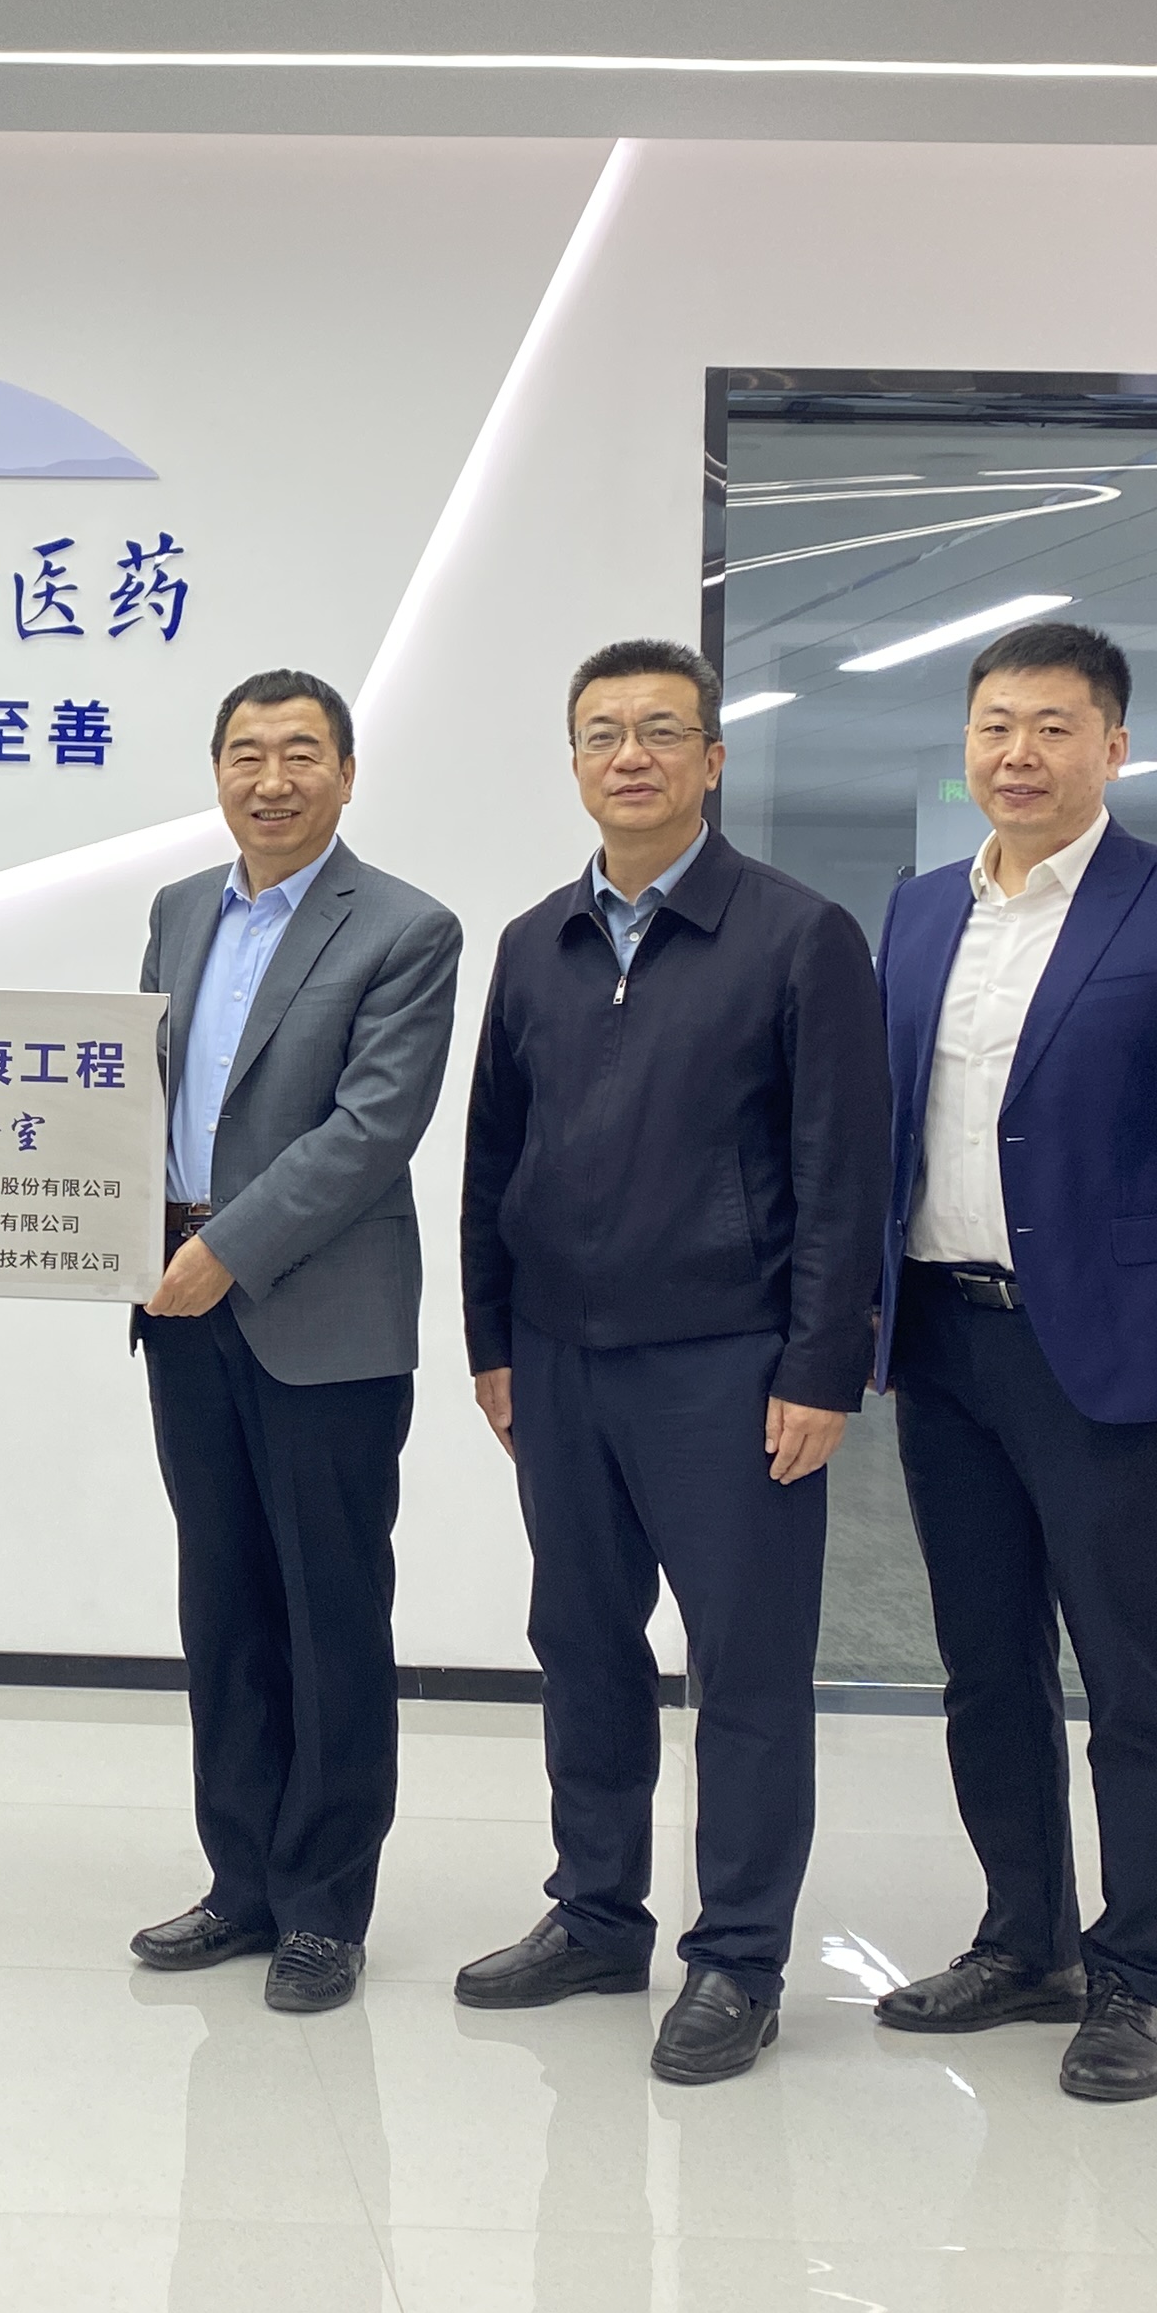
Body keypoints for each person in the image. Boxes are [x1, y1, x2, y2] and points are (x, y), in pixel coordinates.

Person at [455, 638, 888, 2082]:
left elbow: (841, 1174)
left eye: (658, 731)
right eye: (601, 733)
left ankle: (738, 1957)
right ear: (575, 763)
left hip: (731, 1364)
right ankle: (595, 1916)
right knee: (582, 1645)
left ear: (712, 760)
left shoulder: (797, 935)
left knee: (746, 1670)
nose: (628, 755)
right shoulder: (535, 943)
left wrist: (821, 1366)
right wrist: (492, 1339)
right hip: (559, 1359)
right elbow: (493, 1156)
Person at [866, 622, 1157, 2101]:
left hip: (1108, 1347)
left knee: (1133, 1669)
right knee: (984, 1664)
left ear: (1114, 746)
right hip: (943, 1335)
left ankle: (1140, 1977)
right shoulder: (921, 910)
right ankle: (1022, 1940)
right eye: (996, 726)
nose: (1020, 754)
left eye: (1053, 727)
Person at [130, 671, 461, 2015]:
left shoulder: (404, 928)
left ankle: (325, 1906)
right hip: (179, 1309)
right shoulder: (177, 911)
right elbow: (133, 1092)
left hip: (321, 1321)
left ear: (347, 772)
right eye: (246, 754)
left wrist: (227, 1249)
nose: (272, 780)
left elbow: (371, 1129)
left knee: (330, 1613)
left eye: (301, 754)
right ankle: (241, 1882)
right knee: (222, 1604)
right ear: (216, 770)